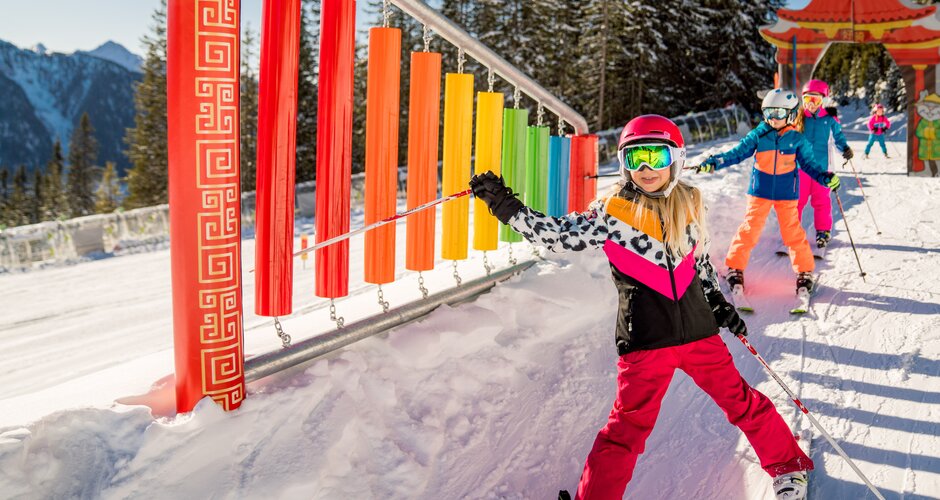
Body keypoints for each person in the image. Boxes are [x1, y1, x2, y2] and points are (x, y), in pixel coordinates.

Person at [470, 115, 813, 500]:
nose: (647, 168)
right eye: (636, 158)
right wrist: (507, 206)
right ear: (624, 164)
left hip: (700, 333)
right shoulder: (611, 212)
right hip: (645, 341)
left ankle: (788, 466)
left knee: (742, 402)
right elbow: (557, 237)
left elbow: (699, 261)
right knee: (625, 432)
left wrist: (716, 301)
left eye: (656, 156)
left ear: (676, 159)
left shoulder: (690, 202)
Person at [698, 89, 840, 295]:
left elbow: (810, 165)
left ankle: (804, 271)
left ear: (790, 114)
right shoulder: (759, 135)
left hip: (786, 193)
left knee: (792, 233)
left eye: (779, 113)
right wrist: (715, 162)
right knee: (749, 230)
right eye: (768, 112)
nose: (773, 118)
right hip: (760, 191)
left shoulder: (796, 139)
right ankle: (735, 267)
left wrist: (824, 177)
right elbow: (737, 153)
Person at [800, 79, 852, 249]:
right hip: (801, 168)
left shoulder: (829, 120)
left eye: (815, 100)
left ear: (823, 100)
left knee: (821, 201)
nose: (810, 104)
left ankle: (823, 231)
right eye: (807, 99)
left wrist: (845, 149)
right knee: (796, 201)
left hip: (823, 169)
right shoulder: (799, 118)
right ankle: (791, 231)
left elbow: (838, 138)